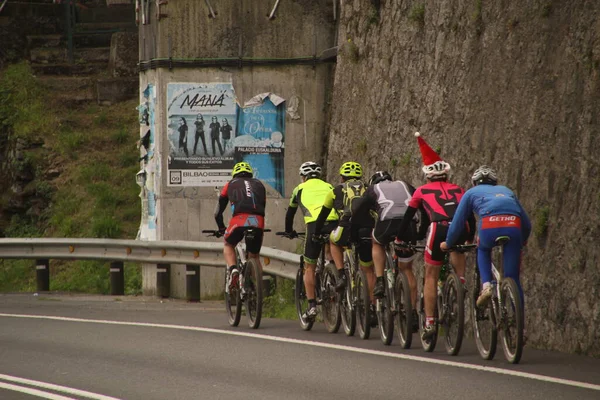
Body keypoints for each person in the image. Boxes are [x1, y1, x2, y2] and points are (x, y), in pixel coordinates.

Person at [398, 132, 475, 341]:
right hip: (461, 226)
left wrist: (401, 238)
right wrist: (470, 237)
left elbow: (409, 218)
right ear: (446, 175)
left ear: (427, 175)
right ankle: (459, 283)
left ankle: (430, 322)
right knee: (457, 249)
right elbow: (469, 216)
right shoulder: (459, 189)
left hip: (437, 227)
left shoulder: (421, 191)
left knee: (431, 275)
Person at [441, 165, 531, 308]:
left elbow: (458, 222)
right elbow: (526, 223)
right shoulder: (507, 191)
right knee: (513, 278)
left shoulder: (471, 193)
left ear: (475, 182)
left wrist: (448, 242)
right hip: (513, 225)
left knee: (482, 248)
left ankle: (487, 285)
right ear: (494, 182)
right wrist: (523, 239)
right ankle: (519, 322)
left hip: (489, 225)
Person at [353, 170, 424, 331]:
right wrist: (419, 232)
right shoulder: (405, 185)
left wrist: (357, 230)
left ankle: (379, 280)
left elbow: (359, 210)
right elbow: (421, 204)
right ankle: (412, 313)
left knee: (377, 242)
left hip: (387, 223)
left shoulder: (373, 189)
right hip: (409, 225)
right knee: (407, 270)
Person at [313, 161, 376, 320]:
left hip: (346, 227)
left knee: (334, 241)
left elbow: (322, 216)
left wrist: (316, 232)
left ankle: (341, 274)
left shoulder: (335, 190)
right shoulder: (369, 188)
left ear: (342, 177)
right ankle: (373, 308)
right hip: (367, 228)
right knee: (368, 269)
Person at [285, 161, 339, 319]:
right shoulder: (329, 186)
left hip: (315, 225)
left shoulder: (299, 189)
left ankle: (312, 306)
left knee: (310, 266)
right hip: (334, 222)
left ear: (303, 177)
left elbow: (290, 213)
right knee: (331, 249)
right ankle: (333, 273)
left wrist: (289, 231)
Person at [214, 162, 266, 289]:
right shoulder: (259, 184)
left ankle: (233, 270)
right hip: (258, 221)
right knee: (254, 255)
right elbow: (262, 206)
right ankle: (257, 288)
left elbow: (217, 212)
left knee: (228, 244)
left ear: (234, 174)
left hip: (239, 220)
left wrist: (221, 228)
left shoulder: (229, 185)